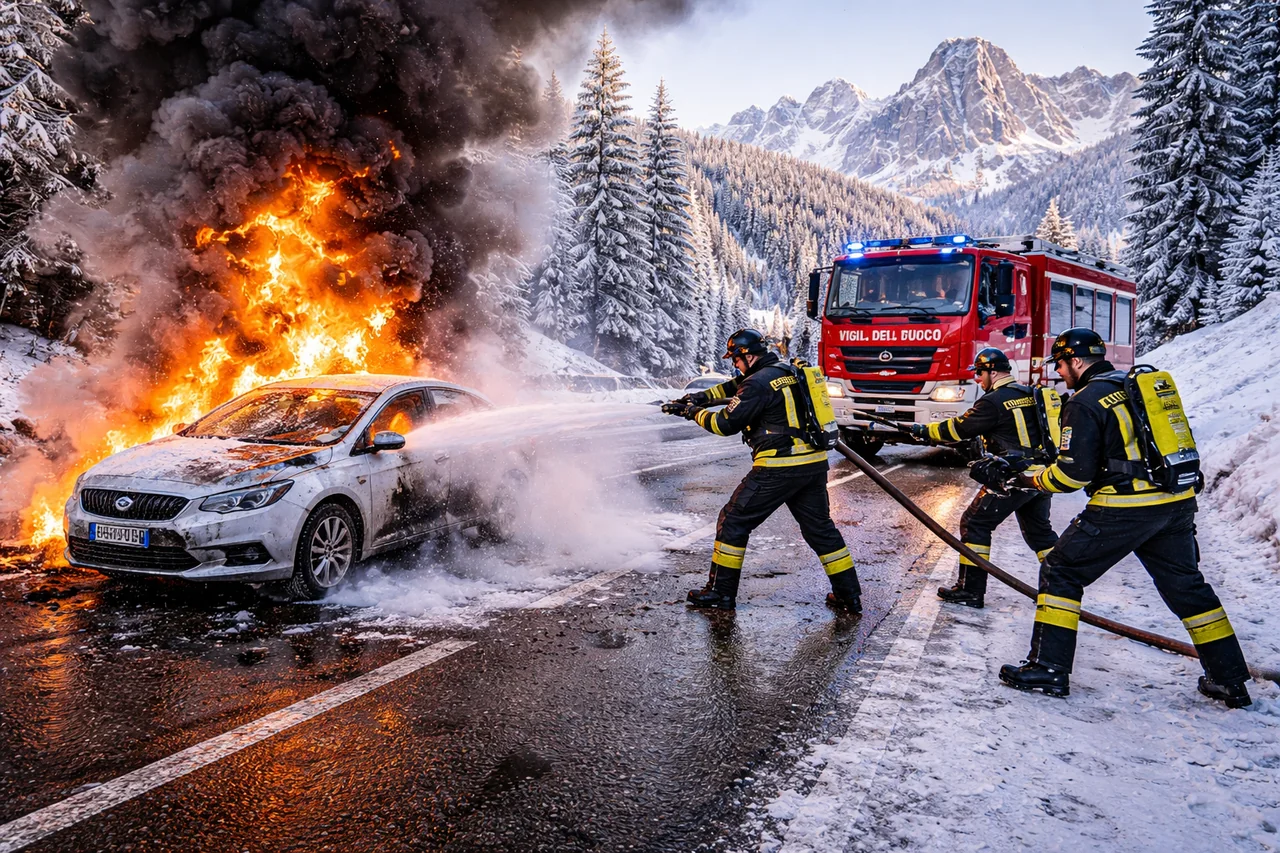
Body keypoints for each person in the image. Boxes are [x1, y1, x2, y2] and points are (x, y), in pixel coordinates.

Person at [993, 328, 1252, 707]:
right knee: (1188, 587)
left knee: (1060, 570)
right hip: (1176, 503)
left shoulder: (1084, 401)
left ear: (1076, 361)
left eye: (1061, 364)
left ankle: (1048, 669)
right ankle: (1229, 679)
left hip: (1125, 508)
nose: (1060, 372)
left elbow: (1072, 475)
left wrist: (1027, 478)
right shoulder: (1136, 386)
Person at [664, 329, 862, 613]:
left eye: (736, 358)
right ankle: (848, 595)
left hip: (779, 467)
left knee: (733, 521)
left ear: (748, 355)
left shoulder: (757, 383)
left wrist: (693, 413)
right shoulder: (785, 370)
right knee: (820, 530)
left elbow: (725, 424)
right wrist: (698, 398)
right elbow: (734, 387)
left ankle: (721, 593)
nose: (734, 364)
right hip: (813, 464)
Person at [906, 348, 1058, 608]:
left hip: (1013, 478)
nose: (977, 378)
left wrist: (924, 431)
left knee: (975, 523)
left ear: (993, 372)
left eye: (979, 372)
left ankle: (970, 590)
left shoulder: (992, 401)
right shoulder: (1028, 394)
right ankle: (1059, 585)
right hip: (1040, 477)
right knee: (1040, 533)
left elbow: (958, 428)